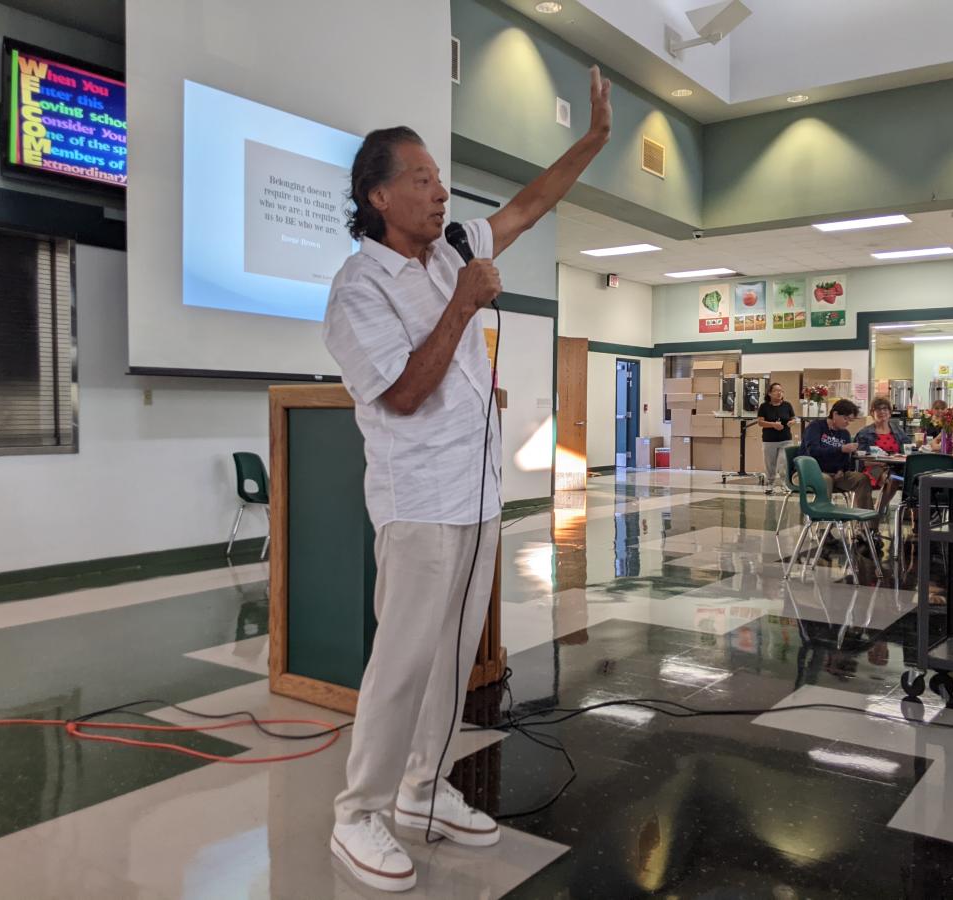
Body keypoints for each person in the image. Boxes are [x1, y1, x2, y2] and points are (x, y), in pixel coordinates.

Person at [321, 66, 612, 893]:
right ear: (378, 197)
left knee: (453, 661)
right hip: (416, 506)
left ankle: (423, 788)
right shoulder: (358, 289)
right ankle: (359, 812)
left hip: (476, 498)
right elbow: (406, 394)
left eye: (442, 181)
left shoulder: (451, 250)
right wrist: (466, 305)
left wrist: (588, 143)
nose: (441, 195)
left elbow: (526, 208)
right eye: (421, 180)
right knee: (404, 661)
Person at [800, 399, 873, 510]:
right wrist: (840, 449)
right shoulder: (815, 427)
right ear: (835, 414)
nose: (847, 423)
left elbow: (845, 459)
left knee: (862, 479)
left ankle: (867, 524)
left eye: (850, 420)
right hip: (810, 472)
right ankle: (823, 519)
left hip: (835, 474)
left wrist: (841, 470)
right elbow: (813, 451)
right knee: (825, 480)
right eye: (845, 418)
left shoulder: (844, 433)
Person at [855, 396, 908, 511]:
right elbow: (863, 460)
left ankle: (879, 510)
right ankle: (878, 513)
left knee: (900, 478)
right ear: (872, 413)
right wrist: (882, 463)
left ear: (890, 412)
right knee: (890, 478)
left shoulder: (898, 431)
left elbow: (908, 449)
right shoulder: (864, 433)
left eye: (885, 409)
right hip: (874, 468)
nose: (882, 412)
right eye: (878, 409)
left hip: (895, 468)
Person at [757, 381, 797, 494]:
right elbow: (760, 422)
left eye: (781, 391)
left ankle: (785, 484)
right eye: (776, 391)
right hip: (769, 440)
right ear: (770, 393)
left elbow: (793, 419)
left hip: (785, 439)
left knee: (783, 462)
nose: (779, 393)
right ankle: (770, 483)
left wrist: (792, 422)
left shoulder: (787, 405)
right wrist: (773, 425)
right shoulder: (764, 406)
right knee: (770, 464)